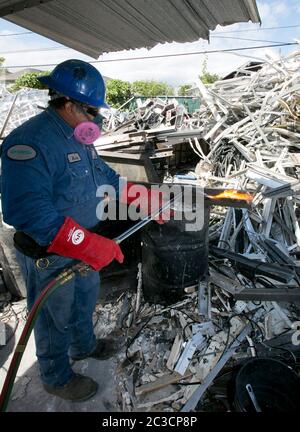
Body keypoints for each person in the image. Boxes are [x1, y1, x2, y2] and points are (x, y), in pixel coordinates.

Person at [0, 59, 166, 402]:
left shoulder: (79, 137)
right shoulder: (28, 143)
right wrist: (87, 244)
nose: (99, 119)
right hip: (51, 252)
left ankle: (84, 346)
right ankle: (55, 376)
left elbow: (103, 176)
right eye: (92, 111)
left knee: (84, 300)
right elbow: (27, 212)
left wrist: (141, 196)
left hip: (84, 242)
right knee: (52, 318)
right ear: (67, 103)